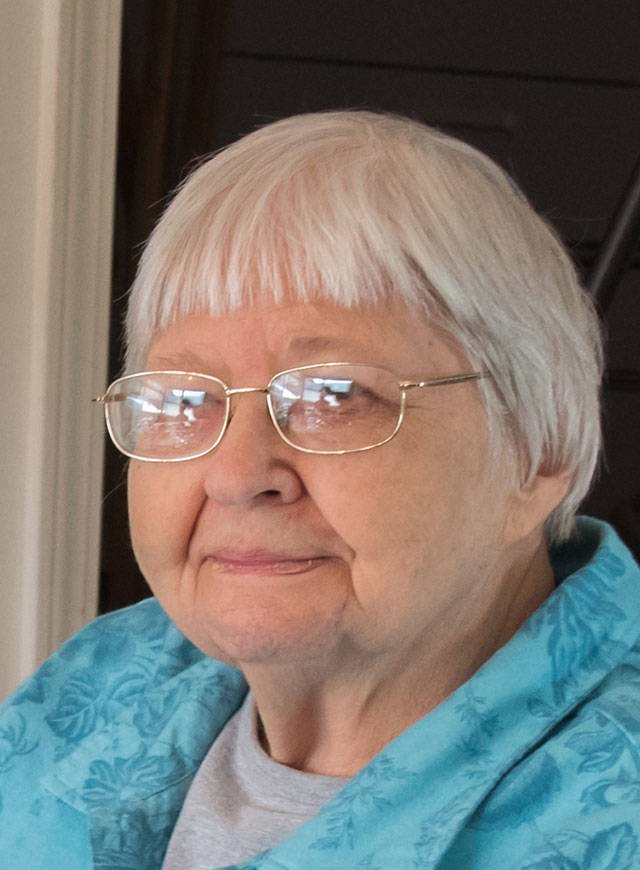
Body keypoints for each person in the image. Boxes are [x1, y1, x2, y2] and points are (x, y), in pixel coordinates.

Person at [1, 110, 639, 870]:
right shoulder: (103, 676)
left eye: (333, 394)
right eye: (183, 399)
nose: (237, 476)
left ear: (538, 453)